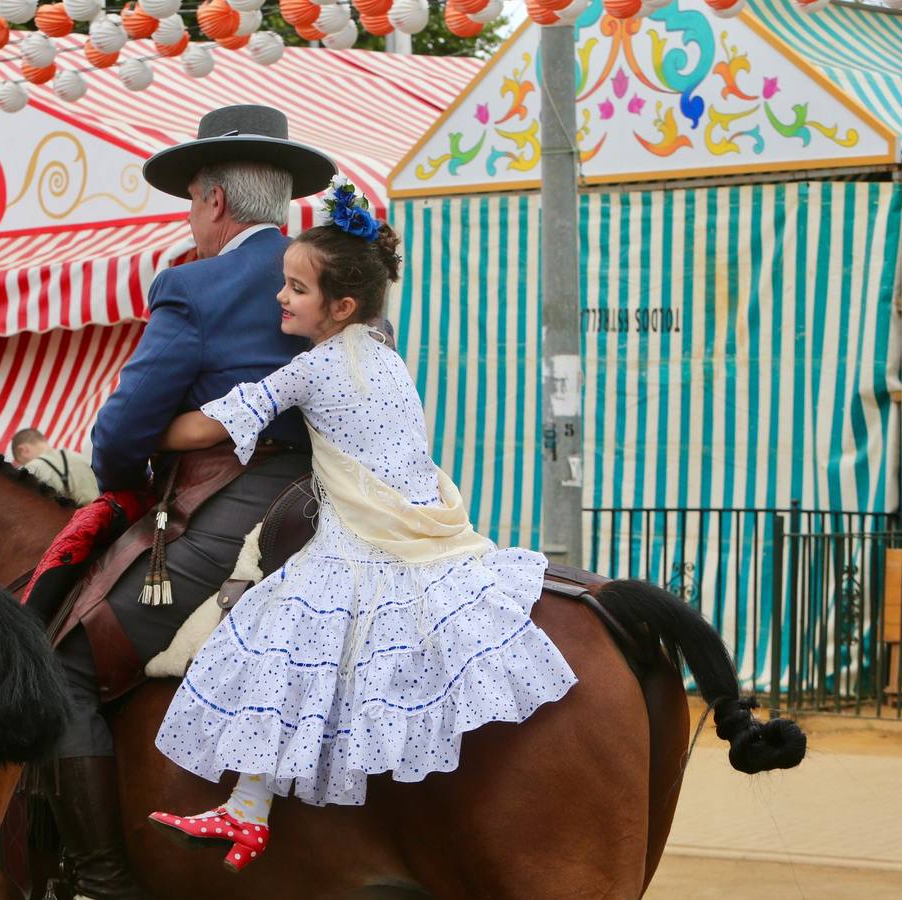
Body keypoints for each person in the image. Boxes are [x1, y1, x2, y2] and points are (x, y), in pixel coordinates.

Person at [146, 182, 578, 870]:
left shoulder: (313, 368)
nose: (280, 298)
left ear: (339, 307)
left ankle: (248, 811)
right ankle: (248, 810)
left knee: (270, 632)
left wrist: (142, 430)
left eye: (294, 288)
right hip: (420, 527)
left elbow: (212, 424)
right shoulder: (386, 356)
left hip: (360, 539)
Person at [50, 105, 335, 899]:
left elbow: (126, 426)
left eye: (190, 204)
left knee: (62, 665)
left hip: (247, 501)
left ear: (212, 200)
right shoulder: (332, 273)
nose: (190, 219)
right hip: (348, 499)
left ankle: (103, 884)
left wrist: (123, 483)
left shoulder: (195, 281)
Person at [10, 427, 99, 505]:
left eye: (23, 461)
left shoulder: (30, 469)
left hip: (73, 522)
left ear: (23, 449)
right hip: (106, 517)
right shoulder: (81, 457)